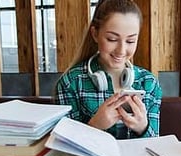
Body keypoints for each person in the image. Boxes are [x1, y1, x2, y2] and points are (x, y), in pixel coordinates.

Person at [54, 0, 162, 139]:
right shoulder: (70, 83)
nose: (121, 51)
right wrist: (94, 126)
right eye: (112, 39)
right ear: (95, 34)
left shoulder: (149, 83)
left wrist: (143, 128)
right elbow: (64, 146)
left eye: (130, 41)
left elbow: (156, 145)